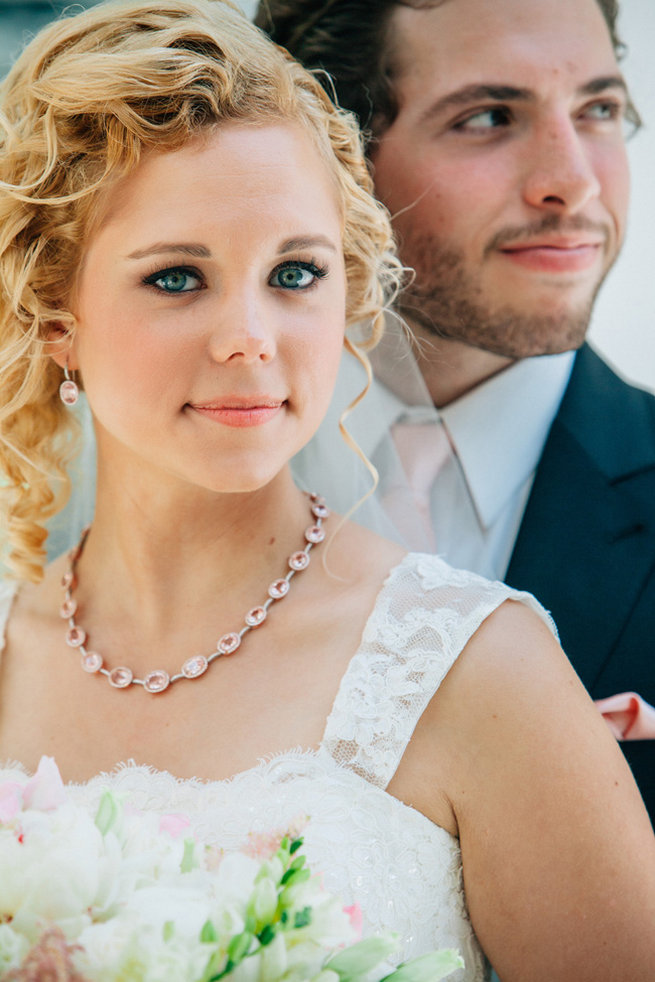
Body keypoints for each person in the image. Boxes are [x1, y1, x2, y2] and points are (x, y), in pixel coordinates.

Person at [0, 2, 653, 980]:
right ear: (55, 317)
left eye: (296, 272)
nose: (249, 337)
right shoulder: (13, 646)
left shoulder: (483, 662)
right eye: (177, 278)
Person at [254, 0, 655, 822]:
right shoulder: (163, 476)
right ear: (337, 156)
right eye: (489, 117)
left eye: (599, 109)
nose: (572, 182)